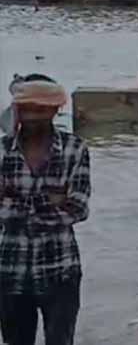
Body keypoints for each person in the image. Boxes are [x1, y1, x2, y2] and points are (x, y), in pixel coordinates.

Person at [0, 74, 90, 345]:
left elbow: (79, 208)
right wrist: (50, 199)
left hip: (60, 269)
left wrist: (13, 200)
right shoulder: (2, 151)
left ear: (54, 110)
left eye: (39, 109)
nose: (31, 116)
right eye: (26, 108)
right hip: (10, 269)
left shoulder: (75, 148)